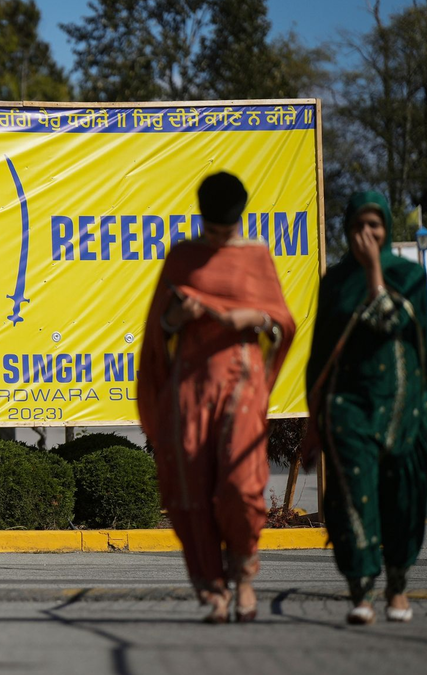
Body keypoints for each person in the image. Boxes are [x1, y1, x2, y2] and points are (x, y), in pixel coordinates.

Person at [138, 172, 295, 623]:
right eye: (213, 229)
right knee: (188, 483)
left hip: (242, 382)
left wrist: (257, 317)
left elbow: (281, 320)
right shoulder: (183, 256)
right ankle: (211, 586)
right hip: (191, 384)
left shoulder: (256, 255)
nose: (219, 238)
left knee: (239, 484)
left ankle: (244, 576)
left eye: (225, 230)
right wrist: (175, 317)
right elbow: (157, 329)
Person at [304, 190, 427, 625]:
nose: (367, 234)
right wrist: (313, 421)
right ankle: (360, 590)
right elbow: (321, 354)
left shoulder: (409, 277)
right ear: (346, 230)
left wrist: (375, 273)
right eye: (359, 226)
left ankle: (398, 588)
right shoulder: (335, 281)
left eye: (375, 226)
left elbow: (397, 324)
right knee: (350, 498)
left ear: (385, 229)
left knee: (402, 499)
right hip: (348, 408)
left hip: (402, 407)